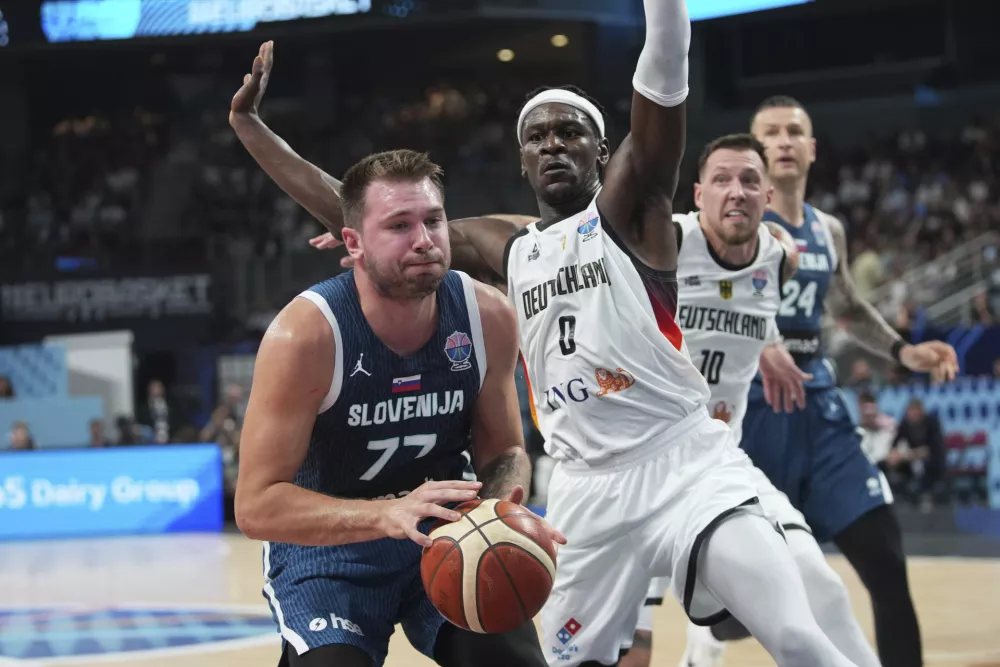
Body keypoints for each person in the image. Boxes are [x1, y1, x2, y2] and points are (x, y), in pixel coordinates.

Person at [229, 3, 864, 666]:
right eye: (537, 136)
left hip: (681, 461)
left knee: (795, 635)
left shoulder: (633, 213)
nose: (552, 144)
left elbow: (665, 68)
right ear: (522, 161)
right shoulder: (509, 245)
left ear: (604, 153)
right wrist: (252, 129)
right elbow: (365, 213)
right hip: (583, 489)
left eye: (570, 132)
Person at [233, 148, 565, 667]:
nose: (424, 239)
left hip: (446, 533)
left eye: (433, 220)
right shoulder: (306, 336)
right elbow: (256, 507)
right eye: (399, 225)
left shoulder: (487, 315)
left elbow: (505, 451)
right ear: (353, 243)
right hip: (328, 552)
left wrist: (502, 511)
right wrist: (388, 513)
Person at [705, 95, 958, 667]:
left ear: (812, 148)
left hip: (819, 410)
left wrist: (903, 349)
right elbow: (701, 298)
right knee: (734, 617)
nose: (784, 141)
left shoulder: (828, 229)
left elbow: (845, 305)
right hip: (752, 412)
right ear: (754, 151)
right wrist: (759, 339)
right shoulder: (731, 221)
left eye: (794, 131)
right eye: (771, 133)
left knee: (887, 561)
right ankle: (706, 639)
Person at [616, 134, 880, 667]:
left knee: (824, 592)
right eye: (721, 180)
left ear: (768, 196)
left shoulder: (779, 258)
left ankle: (704, 648)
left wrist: (769, 344)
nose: (736, 191)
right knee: (630, 651)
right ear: (698, 194)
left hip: (719, 467)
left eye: (749, 181)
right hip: (641, 473)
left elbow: (749, 305)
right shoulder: (667, 242)